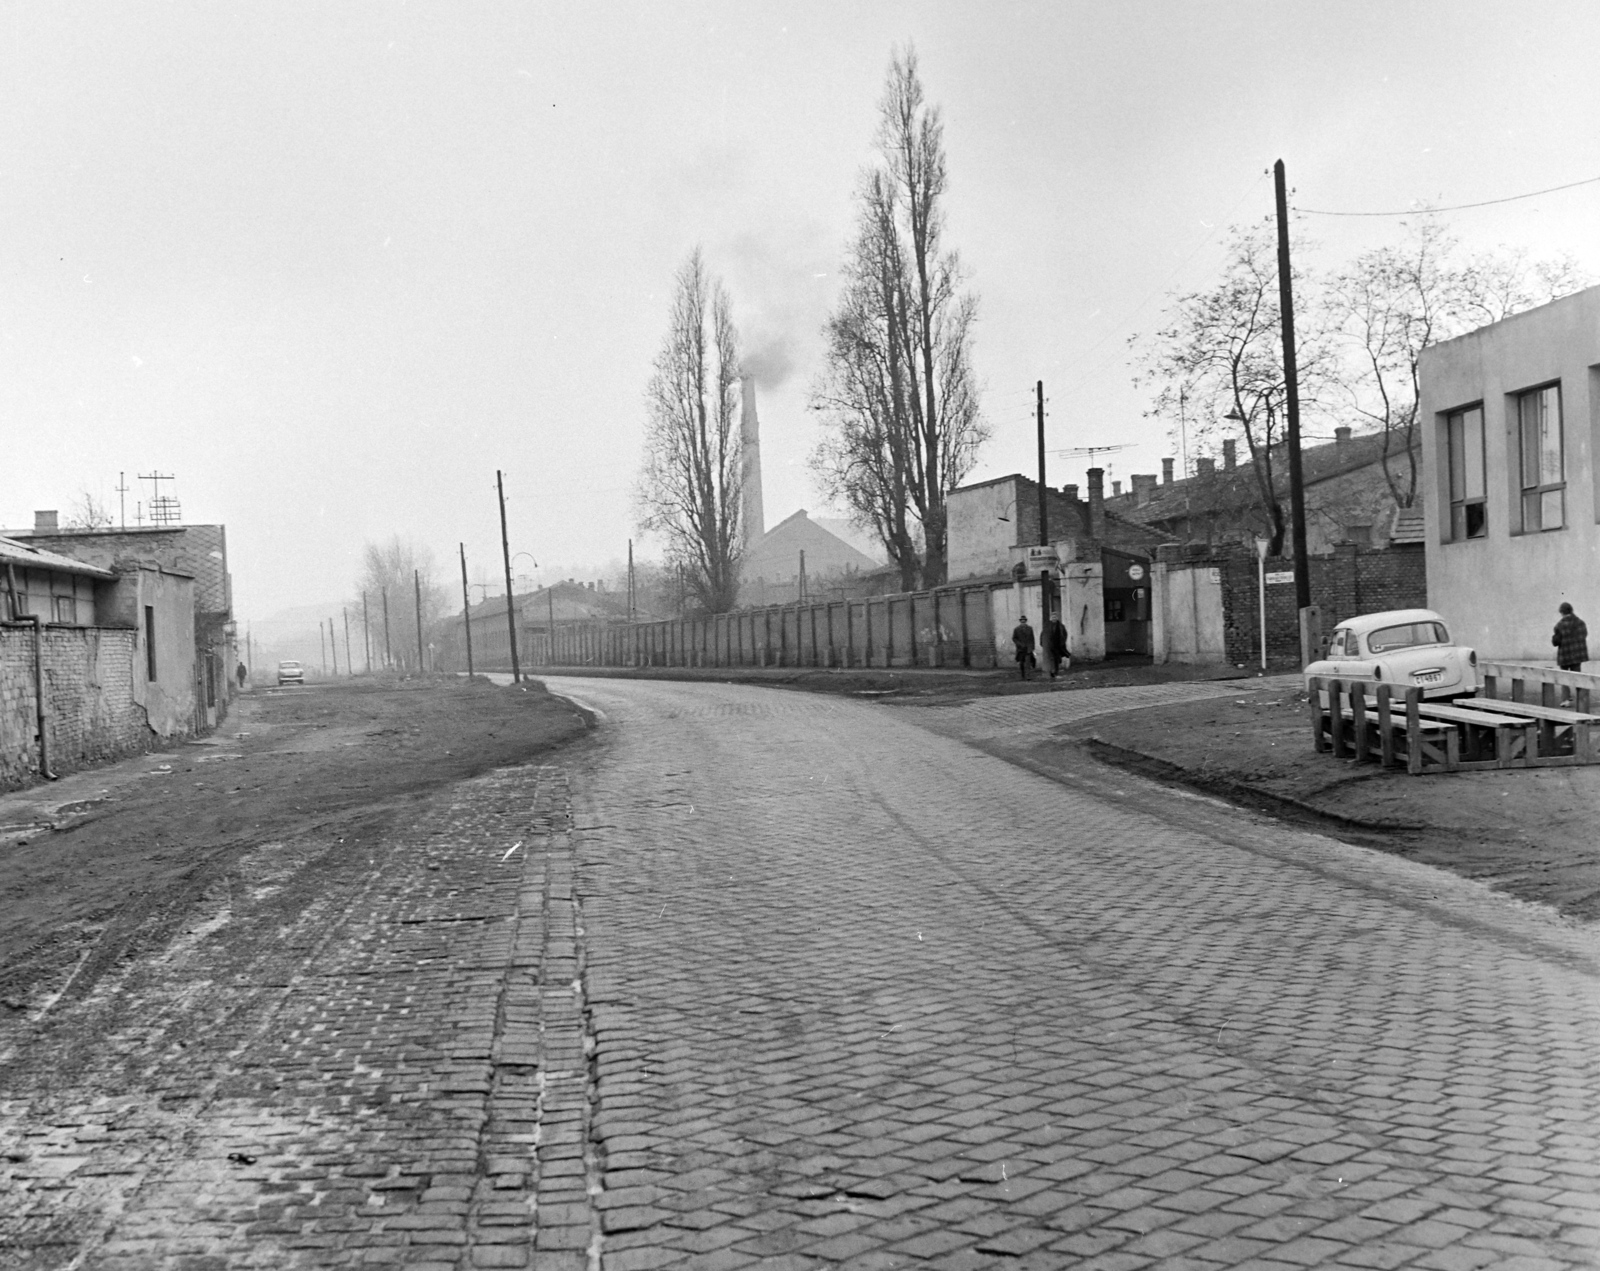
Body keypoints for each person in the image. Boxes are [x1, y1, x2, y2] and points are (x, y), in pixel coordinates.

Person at [1553, 602, 1589, 672]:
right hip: (1577, 656)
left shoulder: (1559, 625)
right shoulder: (1581, 623)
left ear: (1562, 612)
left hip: (1564, 657)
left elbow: (1555, 642)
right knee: (1576, 678)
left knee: (1564, 679)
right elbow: (1584, 635)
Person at [1042, 609, 1070, 679]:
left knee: (1057, 659)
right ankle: (1052, 671)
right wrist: (1043, 644)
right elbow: (1043, 635)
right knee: (1051, 659)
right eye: (1053, 617)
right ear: (1051, 618)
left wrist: (1062, 642)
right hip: (1050, 646)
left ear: (1057, 618)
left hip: (1058, 645)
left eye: (1055, 617)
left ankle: (1056, 672)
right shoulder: (1047, 626)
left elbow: (1065, 634)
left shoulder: (1061, 626)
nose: (1054, 618)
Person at [1011, 614, 1036, 680]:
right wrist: (1019, 644)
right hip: (1020, 649)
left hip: (1028, 649)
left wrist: (1032, 647)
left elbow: (1032, 638)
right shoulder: (1016, 629)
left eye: (1024, 621)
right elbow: (1014, 638)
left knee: (1027, 663)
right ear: (1020, 622)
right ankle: (1022, 675)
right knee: (1021, 663)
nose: (1023, 622)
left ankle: (1028, 676)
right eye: (1022, 621)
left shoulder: (1030, 629)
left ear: (1026, 621)